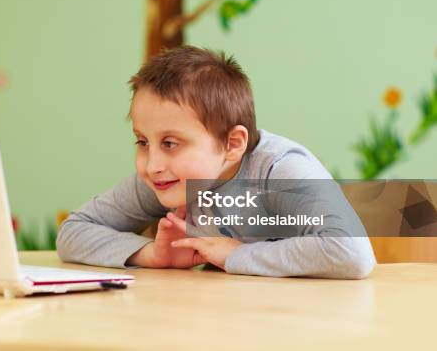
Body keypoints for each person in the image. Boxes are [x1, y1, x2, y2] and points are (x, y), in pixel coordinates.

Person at [56, 47, 375, 279]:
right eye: (142, 142)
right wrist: (152, 254)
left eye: (170, 143)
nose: (151, 164)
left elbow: (351, 253)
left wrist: (237, 254)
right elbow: (74, 231)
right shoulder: (164, 176)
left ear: (232, 144)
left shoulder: (280, 171)